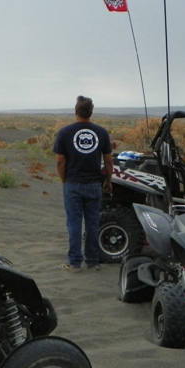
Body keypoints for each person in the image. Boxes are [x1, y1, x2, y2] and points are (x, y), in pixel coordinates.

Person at [53, 96, 114, 272]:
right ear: (91, 112)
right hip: (94, 184)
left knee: (74, 224)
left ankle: (74, 263)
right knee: (93, 223)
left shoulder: (64, 133)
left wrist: (65, 181)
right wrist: (108, 181)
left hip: (73, 183)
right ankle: (93, 262)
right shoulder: (101, 132)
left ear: (76, 111)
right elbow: (108, 161)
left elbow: (59, 161)